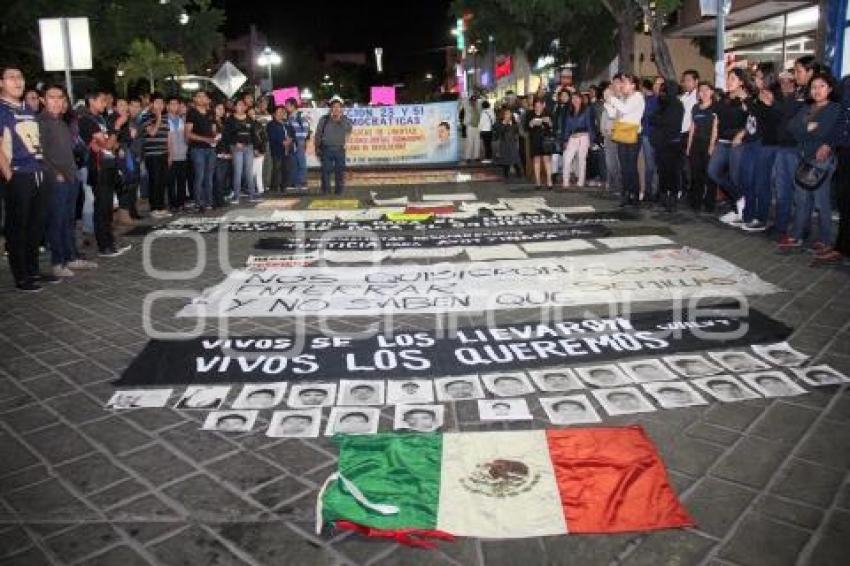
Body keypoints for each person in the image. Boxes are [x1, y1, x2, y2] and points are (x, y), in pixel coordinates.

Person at [1, 65, 54, 292]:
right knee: (18, 228)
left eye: (20, 76)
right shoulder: (2, 110)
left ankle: (33, 270)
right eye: (11, 77)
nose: (17, 81)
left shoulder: (26, 108)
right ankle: (21, 276)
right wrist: (10, 176)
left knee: (36, 226)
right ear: (1, 83)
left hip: (39, 173)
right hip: (18, 175)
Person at [783, 71, 841, 257]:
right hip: (804, 158)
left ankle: (825, 240)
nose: (817, 90)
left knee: (821, 202)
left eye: (821, 86)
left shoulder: (834, 108)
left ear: (830, 89)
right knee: (801, 199)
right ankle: (798, 235)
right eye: (814, 87)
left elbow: (822, 133)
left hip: (821, 161)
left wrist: (806, 128)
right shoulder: (807, 107)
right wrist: (807, 127)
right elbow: (791, 128)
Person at [77, 90, 130, 258]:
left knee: (108, 208)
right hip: (97, 167)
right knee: (101, 208)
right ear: (91, 101)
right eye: (101, 100)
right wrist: (116, 127)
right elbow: (106, 145)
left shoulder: (100, 119)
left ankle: (110, 241)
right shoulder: (85, 120)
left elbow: (111, 145)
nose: (105, 104)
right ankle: (104, 246)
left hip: (109, 165)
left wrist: (110, 139)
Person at [38, 85, 80, 278]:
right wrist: (55, 173)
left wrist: (73, 173)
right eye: (51, 97)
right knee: (57, 221)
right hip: (56, 180)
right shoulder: (40, 123)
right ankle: (58, 262)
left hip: (71, 177)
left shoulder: (61, 123)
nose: (56, 101)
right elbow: (39, 154)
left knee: (69, 221)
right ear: (43, 100)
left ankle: (71, 257)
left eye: (59, 97)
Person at [740, 64, 783, 232]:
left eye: (759, 76)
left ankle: (761, 217)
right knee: (747, 179)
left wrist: (748, 101)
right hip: (752, 140)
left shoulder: (772, 94)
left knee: (761, 182)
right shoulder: (758, 93)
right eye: (755, 76)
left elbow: (765, 115)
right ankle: (748, 214)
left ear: (768, 77)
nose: (756, 79)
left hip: (765, 143)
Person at [708, 69, 751, 224]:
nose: (729, 81)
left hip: (738, 144)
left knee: (735, 176)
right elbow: (716, 121)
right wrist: (713, 142)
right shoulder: (724, 98)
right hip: (722, 141)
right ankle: (739, 198)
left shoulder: (746, 99)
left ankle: (738, 210)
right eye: (728, 78)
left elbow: (753, 121)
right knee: (712, 171)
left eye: (732, 78)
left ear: (741, 81)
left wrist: (742, 133)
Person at [604, 74, 645, 206]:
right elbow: (612, 114)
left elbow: (625, 110)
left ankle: (634, 195)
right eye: (622, 83)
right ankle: (626, 193)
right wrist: (607, 101)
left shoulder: (637, 97)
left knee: (631, 166)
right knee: (624, 166)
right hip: (622, 134)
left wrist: (612, 98)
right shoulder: (623, 98)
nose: (622, 85)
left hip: (633, 135)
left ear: (633, 85)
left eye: (625, 83)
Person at [650, 79, 685, 211]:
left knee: (672, 172)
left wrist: (658, 119)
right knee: (663, 171)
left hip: (672, 143)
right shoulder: (664, 104)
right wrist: (659, 119)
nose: (662, 92)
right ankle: (664, 197)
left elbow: (667, 121)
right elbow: (652, 118)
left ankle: (672, 198)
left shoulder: (676, 105)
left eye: (665, 89)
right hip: (661, 143)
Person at [686, 82, 718, 212]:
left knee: (709, 175)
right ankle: (696, 202)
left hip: (709, 144)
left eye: (706, 90)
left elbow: (716, 128)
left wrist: (711, 146)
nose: (703, 93)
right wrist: (689, 146)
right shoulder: (695, 108)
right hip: (696, 144)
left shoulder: (715, 108)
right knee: (696, 174)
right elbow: (693, 127)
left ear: (711, 92)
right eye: (701, 90)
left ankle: (710, 203)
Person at [185, 90, 217, 212]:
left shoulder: (210, 112)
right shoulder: (191, 113)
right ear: (195, 99)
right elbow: (187, 133)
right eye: (199, 96)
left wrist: (215, 137)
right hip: (197, 149)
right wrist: (205, 139)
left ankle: (209, 201)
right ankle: (198, 202)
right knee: (200, 175)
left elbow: (213, 129)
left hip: (210, 149)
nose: (202, 98)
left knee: (209, 176)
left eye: (204, 96)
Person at [314, 96, 353, 195]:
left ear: (341, 108)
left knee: (340, 171)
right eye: (334, 106)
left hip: (340, 149)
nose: (336, 108)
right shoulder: (324, 119)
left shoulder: (345, 120)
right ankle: (326, 190)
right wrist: (317, 148)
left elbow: (349, 131)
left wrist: (346, 142)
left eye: (338, 106)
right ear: (330, 108)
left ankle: (339, 191)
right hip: (326, 149)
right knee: (325, 171)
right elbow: (318, 134)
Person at [830, 75, 850, 263]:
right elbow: (839, 114)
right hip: (844, 148)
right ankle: (841, 247)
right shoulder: (845, 82)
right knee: (844, 199)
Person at [141, 93, 170, 217]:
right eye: (157, 102)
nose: (160, 105)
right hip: (152, 154)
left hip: (163, 153)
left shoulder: (165, 118)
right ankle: (154, 208)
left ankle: (161, 207)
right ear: (151, 104)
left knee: (162, 181)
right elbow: (152, 133)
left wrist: (169, 154)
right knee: (155, 180)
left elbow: (167, 137)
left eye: (162, 103)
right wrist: (158, 118)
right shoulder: (146, 117)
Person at [224, 98, 258, 201]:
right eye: (238, 105)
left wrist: (256, 147)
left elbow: (253, 134)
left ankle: (252, 195)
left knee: (249, 171)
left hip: (249, 147)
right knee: (237, 172)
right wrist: (235, 143)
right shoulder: (230, 119)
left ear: (245, 107)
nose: (241, 107)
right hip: (236, 148)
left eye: (243, 105)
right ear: (234, 107)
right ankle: (236, 196)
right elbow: (226, 135)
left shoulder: (249, 118)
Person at [560, 91, 594, 188]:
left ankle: (581, 182)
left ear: (581, 99)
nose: (575, 100)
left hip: (584, 136)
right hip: (572, 137)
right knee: (567, 158)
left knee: (581, 159)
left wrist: (591, 140)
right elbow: (567, 127)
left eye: (577, 98)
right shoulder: (569, 111)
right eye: (573, 98)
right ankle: (565, 182)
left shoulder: (587, 110)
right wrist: (565, 140)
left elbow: (590, 125)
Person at [524, 97, 554, 190]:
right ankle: (538, 182)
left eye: (540, 106)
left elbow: (553, 126)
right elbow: (526, 127)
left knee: (547, 160)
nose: (538, 108)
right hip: (535, 139)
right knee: (536, 160)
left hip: (545, 139)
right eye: (536, 106)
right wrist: (531, 123)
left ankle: (549, 181)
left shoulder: (548, 113)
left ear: (543, 105)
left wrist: (549, 122)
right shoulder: (530, 114)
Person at [165, 96, 188, 212]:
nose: (174, 106)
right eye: (172, 104)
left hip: (183, 155)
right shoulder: (164, 120)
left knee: (182, 181)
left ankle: (181, 203)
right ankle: (172, 203)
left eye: (176, 104)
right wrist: (169, 154)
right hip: (171, 156)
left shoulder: (182, 120)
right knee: (171, 181)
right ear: (167, 106)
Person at [679, 69, 700, 196]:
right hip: (681, 133)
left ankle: (692, 192)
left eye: (688, 80)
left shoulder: (698, 96)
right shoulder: (684, 96)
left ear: (696, 81)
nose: (685, 83)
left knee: (690, 165)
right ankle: (685, 190)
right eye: (684, 80)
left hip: (691, 134)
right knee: (682, 164)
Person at [639, 79, 659, 201]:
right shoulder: (645, 99)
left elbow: (646, 115)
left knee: (651, 165)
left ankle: (652, 191)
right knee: (648, 165)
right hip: (645, 134)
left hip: (652, 135)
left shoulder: (655, 100)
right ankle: (649, 191)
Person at [267, 105, 294, 192]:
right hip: (277, 149)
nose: (281, 114)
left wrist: (290, 139)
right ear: (274, 114)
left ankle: (284, 186)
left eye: (282, 112)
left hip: (287, 149)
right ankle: (274, 187)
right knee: (276, 168)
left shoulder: (287, 123)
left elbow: (292, 132)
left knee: (286, 168)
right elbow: (272, 136)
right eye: (279, 112)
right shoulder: (271, 124)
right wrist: (282, 142)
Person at [285, 98, 309, 191]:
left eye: (287, 105)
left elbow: (306, 129)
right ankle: (295, 183)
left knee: (301, 162)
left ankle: (303, 183)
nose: (286, 107)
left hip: (299, 142)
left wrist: (297, 139)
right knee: (294, 163)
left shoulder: (300, 115)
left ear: (292, 105)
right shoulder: (289, 117)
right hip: (292, 143)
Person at [493, 107, 523, 181]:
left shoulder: (513, 122)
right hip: (504, 143)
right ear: (503, 115)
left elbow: (517, 131)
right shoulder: (499, 122)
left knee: (515, 158)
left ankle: (519, 173)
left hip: (512, 143)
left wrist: (515, 124)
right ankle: (506, 174)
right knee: (505, 159)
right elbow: (499, 131)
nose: (508, 115)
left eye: (509, 114)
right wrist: (504, 123)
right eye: (506, 114)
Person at [212, 102, 231, 206]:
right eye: (218, 108)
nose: (221, 110)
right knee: (218, 177)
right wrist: (220, 153)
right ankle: (217, 200)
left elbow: (226, 138)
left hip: (225, 151)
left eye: (222, 109)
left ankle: (221, 198)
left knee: (223, 177)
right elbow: (214, 138)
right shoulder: (212, 121)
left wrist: (228, 152)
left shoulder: (223, 122)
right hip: (217, 152)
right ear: (214, 109)